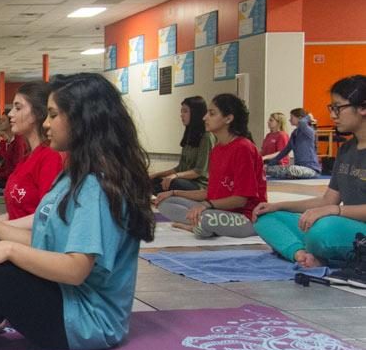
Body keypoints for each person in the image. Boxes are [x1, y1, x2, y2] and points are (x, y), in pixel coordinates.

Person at [0, 73, 155, 350]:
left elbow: (76, 270)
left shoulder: (95, 185)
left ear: (82, 120)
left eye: (53, 115)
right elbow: (45, 240)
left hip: (85, 320)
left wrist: (8, 250)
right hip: (60, 293)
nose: (46, 124)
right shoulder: (71, 176)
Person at [254, 75, 366, 267]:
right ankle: (301, 255)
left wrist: (335, 210)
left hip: (346, 228)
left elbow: (331, 207)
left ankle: (312, 248)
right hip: (341, 226)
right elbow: (326, 201)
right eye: (331, 108)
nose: (333, 115)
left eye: (338, 108)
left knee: (323, 228)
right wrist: (278, 206)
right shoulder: (347, 149)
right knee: (265, 218)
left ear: (363, 107)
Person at [155, 94, 267, 238]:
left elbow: (240, 200)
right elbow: (210, 193)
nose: (204, 117)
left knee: (206, 219)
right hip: (217, 212)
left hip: (246, 218)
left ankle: (198, 225)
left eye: (212, 113)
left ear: (228, 118)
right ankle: (199, 224)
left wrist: (205, 205)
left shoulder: (244, 148)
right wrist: (173, 192)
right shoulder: (217, 149)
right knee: (165, 203)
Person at [0, 81, 64, 220]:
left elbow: (46, 217)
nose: (10, 114)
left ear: (36, 114)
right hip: (14, 231)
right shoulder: (28, 156)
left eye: (18, 108)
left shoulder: (50, 156)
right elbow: (15, 214)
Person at [149, 96, 213, 193]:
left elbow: (199, 171)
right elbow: (180, 168)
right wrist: (157, 174)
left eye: (185, 111)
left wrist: (175, 176)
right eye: (181, 111)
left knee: (174, 183)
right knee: (154, 180)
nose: (181, 115)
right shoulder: (189, 135)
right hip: (185, 180)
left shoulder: (206, 137)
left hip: (199, 185)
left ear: (196, 113)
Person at [265, 108, 321, 179]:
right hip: (298, 168)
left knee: (291, 170)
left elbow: (302, 123)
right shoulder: (294, 133)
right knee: (272, 169)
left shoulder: (309, 131)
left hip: (311, 169)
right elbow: (285, 151)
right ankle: (265, 170)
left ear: (300, 118)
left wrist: (309, 116)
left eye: (292, 117)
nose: (289, 120)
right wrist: (270, 164)